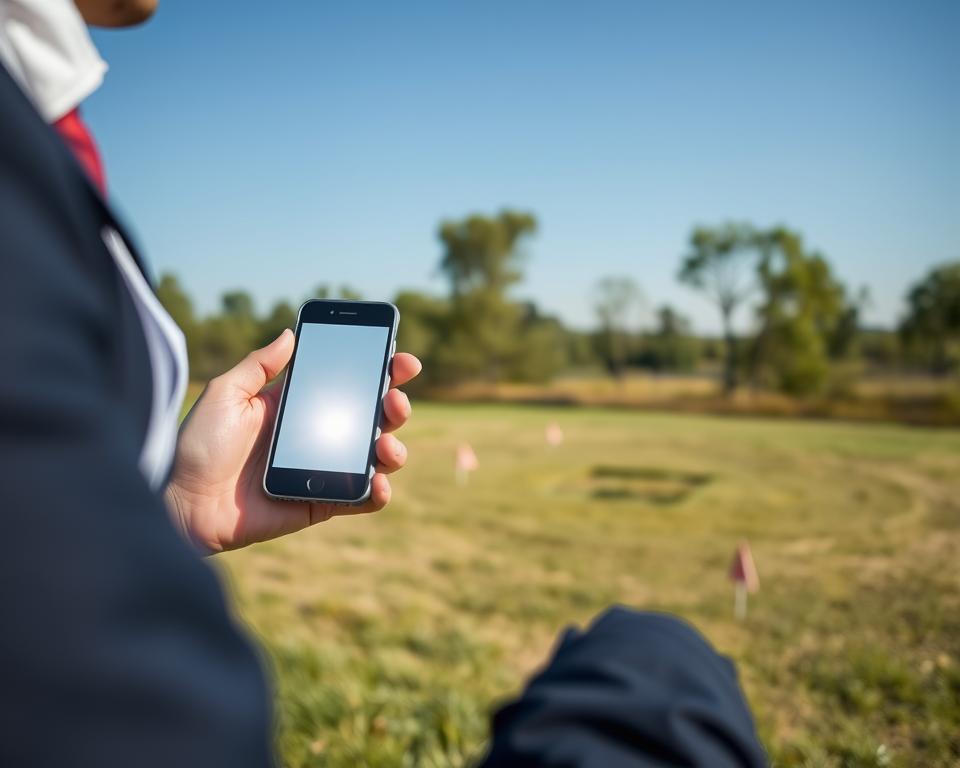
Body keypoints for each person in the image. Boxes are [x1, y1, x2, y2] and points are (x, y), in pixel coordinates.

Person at [0, 2, 767, 766]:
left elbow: (44, 541)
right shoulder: (17, 150)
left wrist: (181, 506)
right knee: (657, 658)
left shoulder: (46, 115)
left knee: (647, 652)